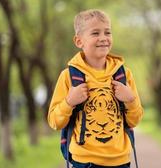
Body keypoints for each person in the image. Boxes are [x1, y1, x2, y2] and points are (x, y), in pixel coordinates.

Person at [48, 9, 144, 168]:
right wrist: (69, 102)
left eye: (107, 32)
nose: (103, 38)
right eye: (95, 33)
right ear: (79, 41)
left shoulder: (124, 75)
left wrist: (130, 100)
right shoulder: (68, 77)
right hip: (85, 162)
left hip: (120, 161)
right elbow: (54, 122)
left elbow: (135, 120)